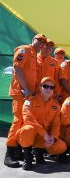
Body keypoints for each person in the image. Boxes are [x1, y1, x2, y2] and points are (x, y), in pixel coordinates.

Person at [4, 34, 47, 168]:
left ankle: (17, 151)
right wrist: (27, 89)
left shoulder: (34, 55)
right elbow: (17, 68)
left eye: (43, 42)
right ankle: (9, 154)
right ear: (33, 40)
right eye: (39, 40)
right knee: (17, 121)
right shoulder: (24, 50)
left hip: (29, 96)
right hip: (20, 94)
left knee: (24, 122)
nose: (41, 43)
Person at [16, 77, 67, 170]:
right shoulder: (30, 100)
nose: (48, 89)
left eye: (51, 87)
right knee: (27, 129)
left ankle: (39, 152)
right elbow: (28, 118)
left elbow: (56, 124)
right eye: (46, 86)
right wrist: (44, 134)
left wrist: (53, 137)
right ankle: (28, 158)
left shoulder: (56, 105)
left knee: (62, 147)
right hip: (31, 136)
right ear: (40, 88)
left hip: (45, 138)